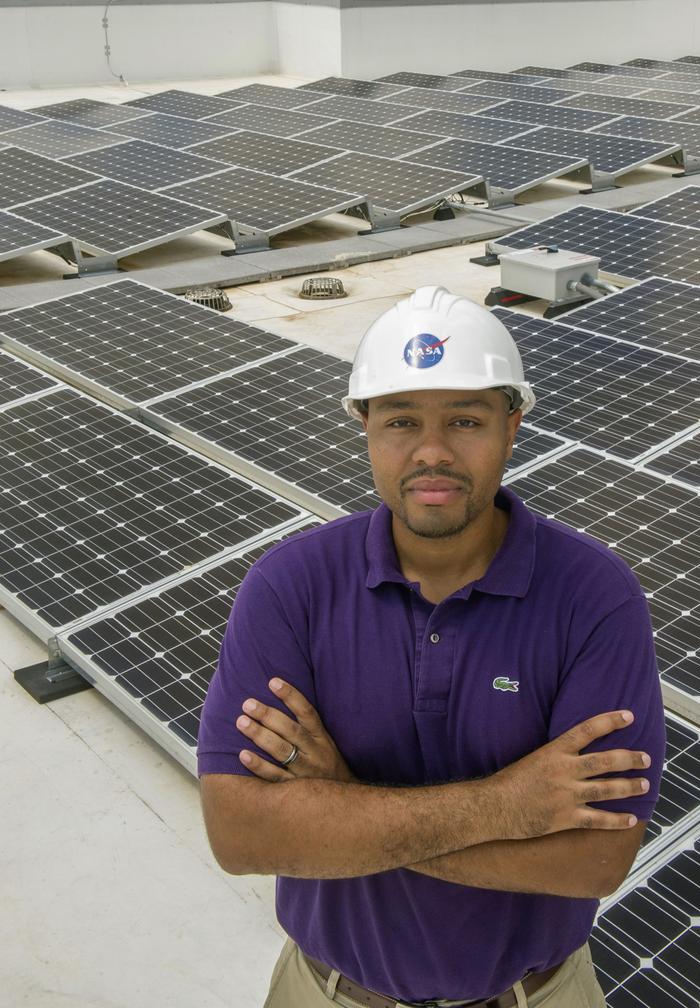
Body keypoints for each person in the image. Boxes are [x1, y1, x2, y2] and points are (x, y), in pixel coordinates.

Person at [197, 285, 666, 1008]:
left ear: (511, 427)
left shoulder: (592, 597)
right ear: (365, 428)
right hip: (324, 992)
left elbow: (593, 859)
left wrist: (340, 808)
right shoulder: (291, 585)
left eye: (466, 420)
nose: (432, 452)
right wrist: (507, 807)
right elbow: (241, 835)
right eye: (400, 420)